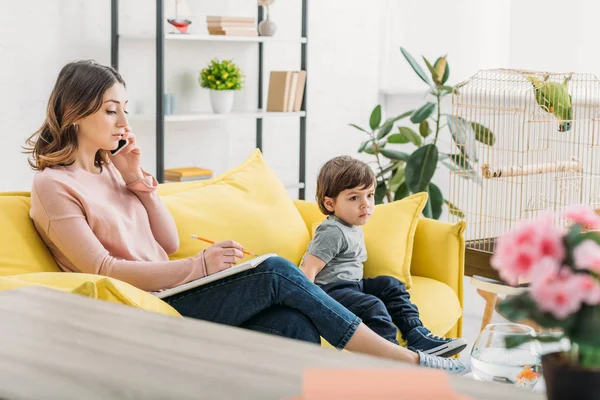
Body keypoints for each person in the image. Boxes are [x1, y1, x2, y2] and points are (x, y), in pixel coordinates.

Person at [24, 60, 464, 373]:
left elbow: (168, 240)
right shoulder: (53, 186)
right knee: (274, 270)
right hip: (149, 311)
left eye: (125, 107)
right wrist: (199, 266)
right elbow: (101, 270)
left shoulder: (114, 171)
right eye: (110, 109)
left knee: (293, 322)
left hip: (181, 293)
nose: (123, 119)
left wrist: (136, 179)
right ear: (76, 111)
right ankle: (406, 362)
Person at [300, 156, 467, 357]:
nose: (366, 204)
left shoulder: (351, 223)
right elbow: (308, 269)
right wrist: (308, 306)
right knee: (372, 306)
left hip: (351, 285)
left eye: (369, 195)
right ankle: (391, 357)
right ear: (329, 203)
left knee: (391, 285)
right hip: (329, 291)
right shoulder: (332, 231)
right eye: (354, 198)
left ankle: (417, 334)